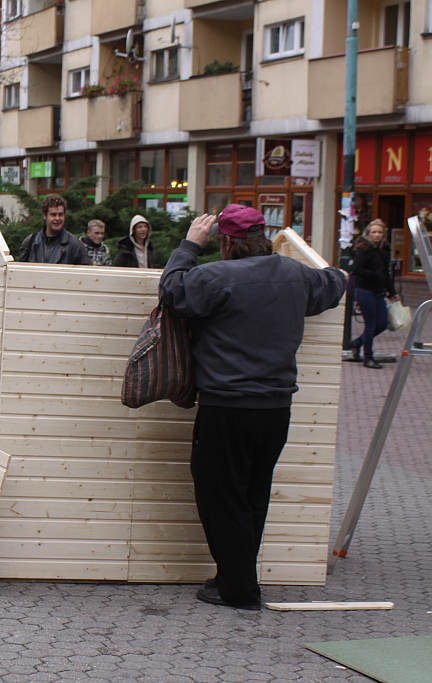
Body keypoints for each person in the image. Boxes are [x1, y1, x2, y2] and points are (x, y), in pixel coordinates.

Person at [159, 204, 345, 610]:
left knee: (219, 497)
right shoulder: (294, 276)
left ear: (225, 241)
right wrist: (337, 271)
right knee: (251, 495)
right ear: (264, 236)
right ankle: (232, 578)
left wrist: (190, 244)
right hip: (276, 410)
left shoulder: (213, 277)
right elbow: (333, 283)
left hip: (226, 408)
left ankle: (239, 590)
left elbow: (172, 291)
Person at [349, 219, 398, 369]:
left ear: (384, 234)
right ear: (369, 234)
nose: (377, 235)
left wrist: (392, 292)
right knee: (370, 324)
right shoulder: (364, 249)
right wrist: (375, 275)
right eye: (374, 232)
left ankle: (356, 344)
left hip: (379, 292)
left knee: (382, 324)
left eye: (380, 232)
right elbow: (356, 269)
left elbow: (386, 273)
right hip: (364, 290)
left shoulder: (384, 250)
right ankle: (368, 358)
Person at [18, 194, 91, 265]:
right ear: (44, 215)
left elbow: (86, 274)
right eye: (53, 214)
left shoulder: (75, 246)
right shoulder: (30, 243)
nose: (57, 218)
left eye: (60, 214)